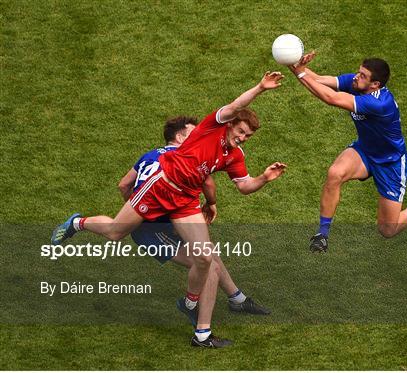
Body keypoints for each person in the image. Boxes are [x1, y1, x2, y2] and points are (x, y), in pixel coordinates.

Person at [51, 71, 287, 348]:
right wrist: (260, 87)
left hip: (186, 199)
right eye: (241, 132)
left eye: (248, 136)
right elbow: (235, 105)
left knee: (206, 257)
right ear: (230, 125)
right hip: (160, 187)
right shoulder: (211, 126)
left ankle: (193, 312)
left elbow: (244, 186)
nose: (244, 138)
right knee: (116, 232)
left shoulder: (234, 155)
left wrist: (263, 179)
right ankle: (77, 222)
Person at [118, 115, 271, 319]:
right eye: (194, 132)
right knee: (208, 265)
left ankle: (237, 299)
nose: (202, 134)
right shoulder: (189, 155)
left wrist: (138, 210)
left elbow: (123, 185)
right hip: (154, 230)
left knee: (209, 254)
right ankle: (199, 323)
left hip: (162, 217)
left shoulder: (151, 154)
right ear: (181, 138)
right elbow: (207, 183)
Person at [288, 53, 407, 252]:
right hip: (365, 150)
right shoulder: (356, 83)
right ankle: (322, 234)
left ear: (375, 85)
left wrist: (300, 73)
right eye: (358, 71)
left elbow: (331, 98)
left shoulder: (380, 103)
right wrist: (294, 64)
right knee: (335, 173)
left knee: (387, 230)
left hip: (390, 163)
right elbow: (319, 80)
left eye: (363, 75)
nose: (356, 77)